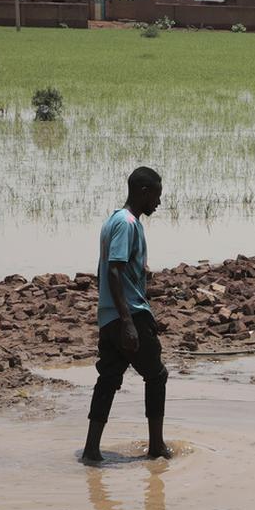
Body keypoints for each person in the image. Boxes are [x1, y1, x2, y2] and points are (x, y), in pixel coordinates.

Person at [82, 166, 170, 463]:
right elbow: (114, 270)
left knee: (108, 378)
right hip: (127, 315)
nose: (158, 202)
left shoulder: (115, 222)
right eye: (156, 195)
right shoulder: (128, 223)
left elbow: (115, 270)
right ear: (144, 192)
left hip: (109, 316)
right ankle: (156, 447)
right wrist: (129, 322)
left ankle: (92, 450)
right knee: (157, 376)